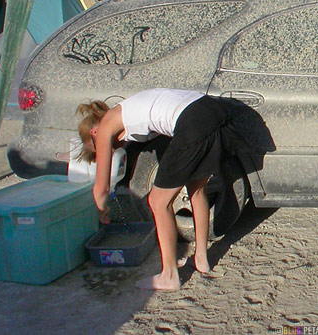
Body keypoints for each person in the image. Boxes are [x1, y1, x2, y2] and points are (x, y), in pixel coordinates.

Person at [76, 88, 249, 291]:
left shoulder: (105, 126)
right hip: (211, 111)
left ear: (94, 133)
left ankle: (168, 276)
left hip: (192, 121)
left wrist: (101, 212)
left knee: (158, 202)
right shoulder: (126, 109)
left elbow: (101, 188)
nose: (110, 150)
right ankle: (201, 259)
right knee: (197, 189)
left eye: (97, 147)